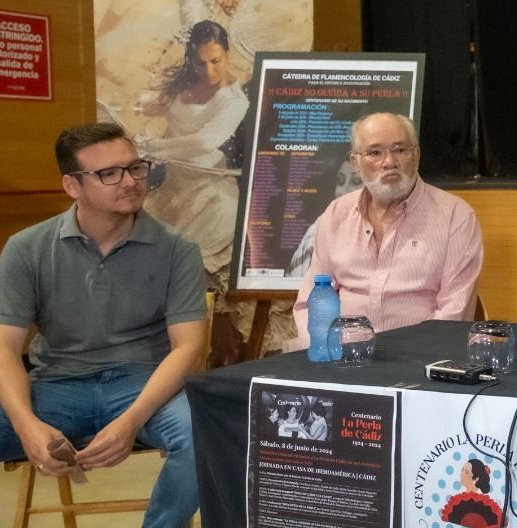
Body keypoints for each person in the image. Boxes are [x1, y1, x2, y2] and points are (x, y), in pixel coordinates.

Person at [0, 123, 206, 528]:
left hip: (142, 385)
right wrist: (27, 425)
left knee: (200, 434)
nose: (130, 181)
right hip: (56, 388)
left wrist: (130, 421)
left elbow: (186, 348)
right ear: (73, 186)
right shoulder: (28, 248)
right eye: (110, 173)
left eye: (135, 167)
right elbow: (2, 348)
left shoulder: (176, 250)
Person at [289, 113, 483, 349]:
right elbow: (312, 300)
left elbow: (455, 312)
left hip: (418, 361)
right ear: (356, 163)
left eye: (400, 150)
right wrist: (322, 351)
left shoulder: (456, 216)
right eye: (375, 152)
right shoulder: (337, 213)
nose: (389, 162)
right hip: (343, 358)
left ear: (417, 155)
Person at [134, 19, 249, 272]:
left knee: (186, 258)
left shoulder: (235, 101)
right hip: (171, 182)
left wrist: (152, 146)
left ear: (227, 54)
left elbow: (203, 142)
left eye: (215, 61)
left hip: (205, 184)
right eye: (200, 62)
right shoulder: (185, 80)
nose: (208, 71)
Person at [286, 156, 365, 278]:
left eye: (356, 182)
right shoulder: (319, 228)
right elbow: (297, 286)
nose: (343, 191)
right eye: (340, 181)